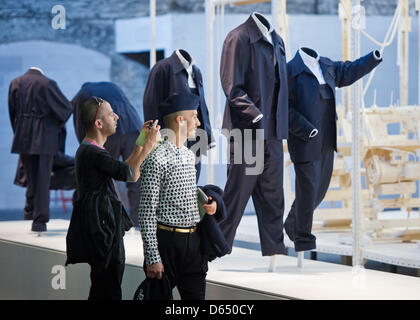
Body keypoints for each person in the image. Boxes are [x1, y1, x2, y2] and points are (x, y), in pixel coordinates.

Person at [285, 48, 382, 252]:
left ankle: (292, 224)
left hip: (327, 139)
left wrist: (372, 58)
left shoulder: (326, 65)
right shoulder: (290, 72)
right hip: (305, 140)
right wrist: (306, 129)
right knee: (308, 189)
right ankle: (303, 238)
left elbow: (350, 70)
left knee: (320, 189)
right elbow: (284, 109)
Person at [65, 96, 160, 300]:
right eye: (111, 114)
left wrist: (141, 141)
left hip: (101, 228)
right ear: (98, 123)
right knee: (109, 288)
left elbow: (123, 168)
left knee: (104, 287)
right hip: (103, 231)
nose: (116, 116)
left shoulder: (91, 150)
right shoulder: (93, 153)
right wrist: (150, 145)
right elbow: (131, 174)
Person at [138, 93, 217, 300]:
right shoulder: (156, 158)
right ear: (180, 120)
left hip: (194, 244)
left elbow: (187, 196)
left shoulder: (190, 156)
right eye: (194, 117)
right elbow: (146, 212)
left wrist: (209, 204)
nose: (198, 122)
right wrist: (152, 257)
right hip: (167, 244)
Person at [8, 67, 73, 232]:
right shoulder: (47, 83)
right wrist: (52, 122)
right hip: (44, 137)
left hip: (23, 136)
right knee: (43, 179)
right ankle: (39, 222)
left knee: (30, 178)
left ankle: (28, 215)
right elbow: (65, 109)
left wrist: (20, 129)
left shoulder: (15, 82)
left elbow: (12, 112)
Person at [71, 82, 144, 226]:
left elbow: (81, 123)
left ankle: (104, 221)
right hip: (132, 127)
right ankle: (137, 222)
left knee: (102, 176)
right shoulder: (113, 87)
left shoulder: (82, 95)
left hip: (111, 133)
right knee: (135, 180)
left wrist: (87, 146)